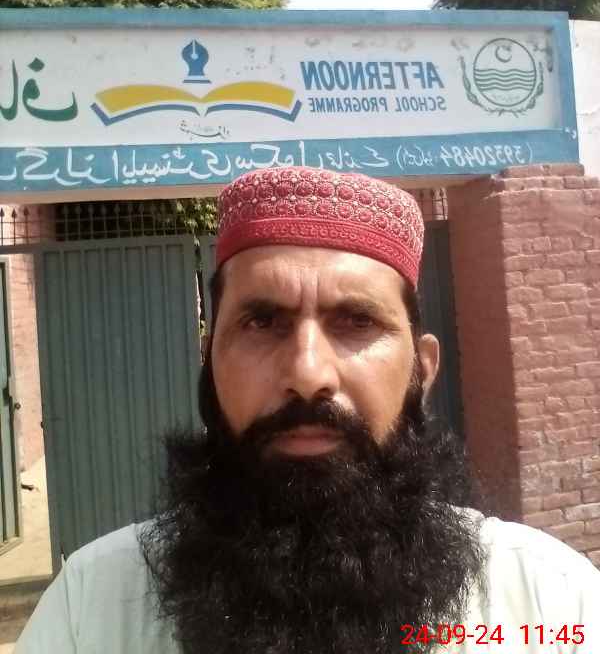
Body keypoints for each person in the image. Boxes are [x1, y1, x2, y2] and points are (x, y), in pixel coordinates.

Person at [16, 166, 600, 654]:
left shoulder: (548, 602)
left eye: (357, 321)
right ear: (209, 361)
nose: (307, 373)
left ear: (421, 370)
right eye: (262, 321)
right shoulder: (90, 609)